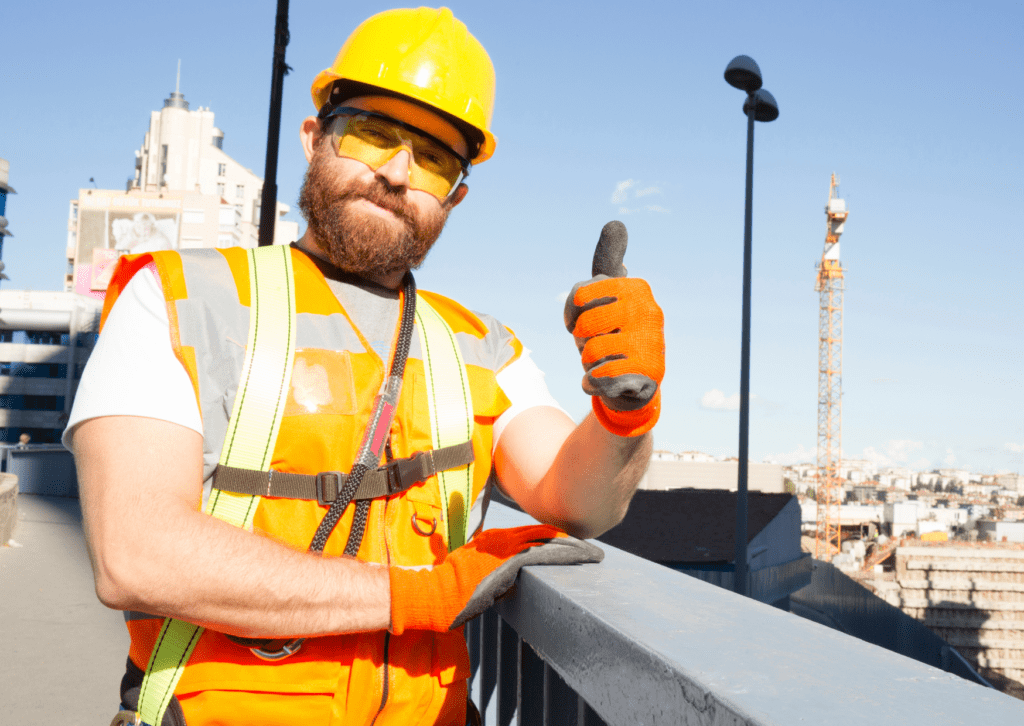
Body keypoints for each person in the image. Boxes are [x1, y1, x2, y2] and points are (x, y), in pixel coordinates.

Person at [67, 7, 664, 726]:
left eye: (435, 158)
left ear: (456, 197)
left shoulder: (479, 345)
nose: (396, 171)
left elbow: (582, 503)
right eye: (374, 133)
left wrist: (624, 409)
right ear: (315, 136)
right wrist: (421, 594)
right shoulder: (178, 298)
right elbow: (135, 553)